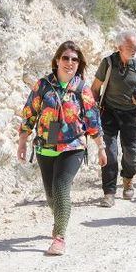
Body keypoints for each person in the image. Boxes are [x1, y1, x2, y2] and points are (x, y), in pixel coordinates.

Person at [17, 41, 106, 256]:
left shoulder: (82, 88)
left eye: (74, 59)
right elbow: (30, 113)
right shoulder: (43, 85)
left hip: (73, 146)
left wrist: (101, 147)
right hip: (45, 146)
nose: (69, 62)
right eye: (65, 58)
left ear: (79, 64)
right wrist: (22, 140)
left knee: (61, 187)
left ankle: (59, 237)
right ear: (57, 60)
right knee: (50, 196)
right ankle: (60, 218)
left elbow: (93, 119)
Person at [91, 31, 136, 207]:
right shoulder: (108, 63)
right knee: (110, 152)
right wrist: (93, 108)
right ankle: (109, 192)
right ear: (119, 48)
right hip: (108, 112)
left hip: (131, 114)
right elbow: (95, 88)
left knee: (130, 152)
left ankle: (128, 180)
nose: (135, 50)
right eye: (130, 47)